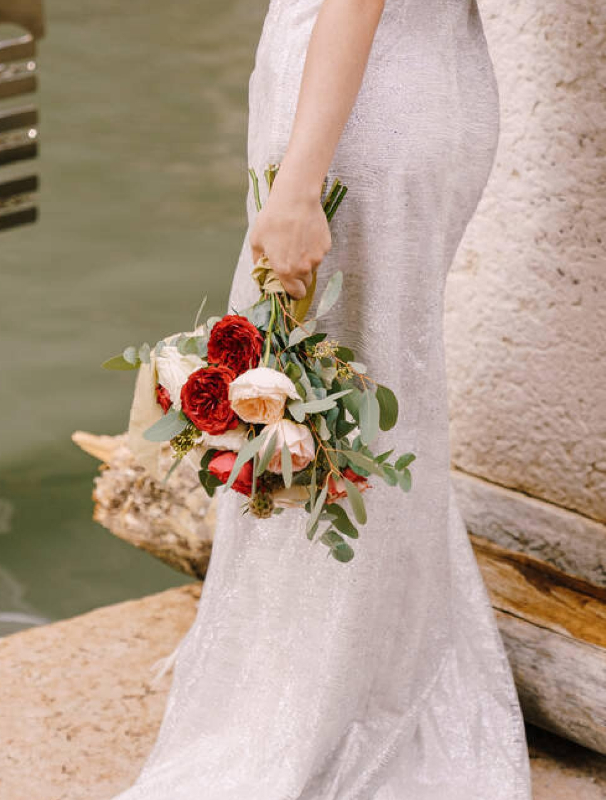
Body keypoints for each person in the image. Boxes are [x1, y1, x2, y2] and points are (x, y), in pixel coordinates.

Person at [113, 0, 533, 796]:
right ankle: (352, 669)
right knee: (348, 405)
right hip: (416, 81)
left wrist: (301, 184)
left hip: (350, 109)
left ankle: (306, 697)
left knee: (318, 410)